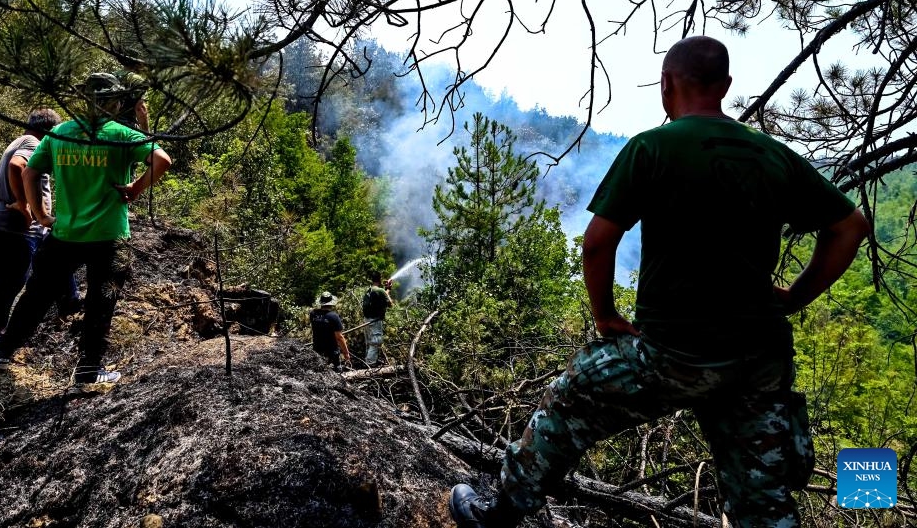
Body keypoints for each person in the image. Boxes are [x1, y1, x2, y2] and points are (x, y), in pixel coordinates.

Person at [448, 36, 870, 528]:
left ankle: (498, 513)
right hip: (758, 360)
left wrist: (606, 316)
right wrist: (796, 297)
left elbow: (597, 243)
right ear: (726, 86)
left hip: (671, 354)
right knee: (763, 501)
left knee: (566, 403)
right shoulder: (772, 155)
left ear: (667, 84)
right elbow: (850, 226)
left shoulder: (651, 146)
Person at [0, 72, 172, 384]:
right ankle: (88, 370)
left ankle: (2, 352)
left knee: (37, 295)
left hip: (65, 234)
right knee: (102, 301)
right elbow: (162, 159)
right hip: (110, 235)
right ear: (114, 101)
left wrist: (42, 216)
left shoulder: (60, 133)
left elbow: (29, 172)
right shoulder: (120, 134)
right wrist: (135, 189)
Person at [0, 108, 80, 352]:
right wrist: (24, 206)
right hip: (16, 228)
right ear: (51, 131)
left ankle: (71, 302)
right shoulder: (32, 143)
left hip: (4, 225)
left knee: (55, 257)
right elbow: (17, 165)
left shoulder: (19, 140)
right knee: (7, 286)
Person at [310, 292, 350, 368]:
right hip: (332, 352)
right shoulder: (333, 316)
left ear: (321, 302)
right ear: (331, 303)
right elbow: (339, 337)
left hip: (317, 351)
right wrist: (346, 353)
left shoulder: (313, 314)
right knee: (336, 374)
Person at [361, 272, 393, 366]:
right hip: (375, 321)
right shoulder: (380, 291)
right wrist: (387, 290)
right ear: (380, 278)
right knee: (375, 342)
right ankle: (370, 365)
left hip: (367, 320)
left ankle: (367, 361)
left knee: (369, 342)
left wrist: (387, 289)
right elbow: (390, 304)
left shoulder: (370, 289)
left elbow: (382, 295)